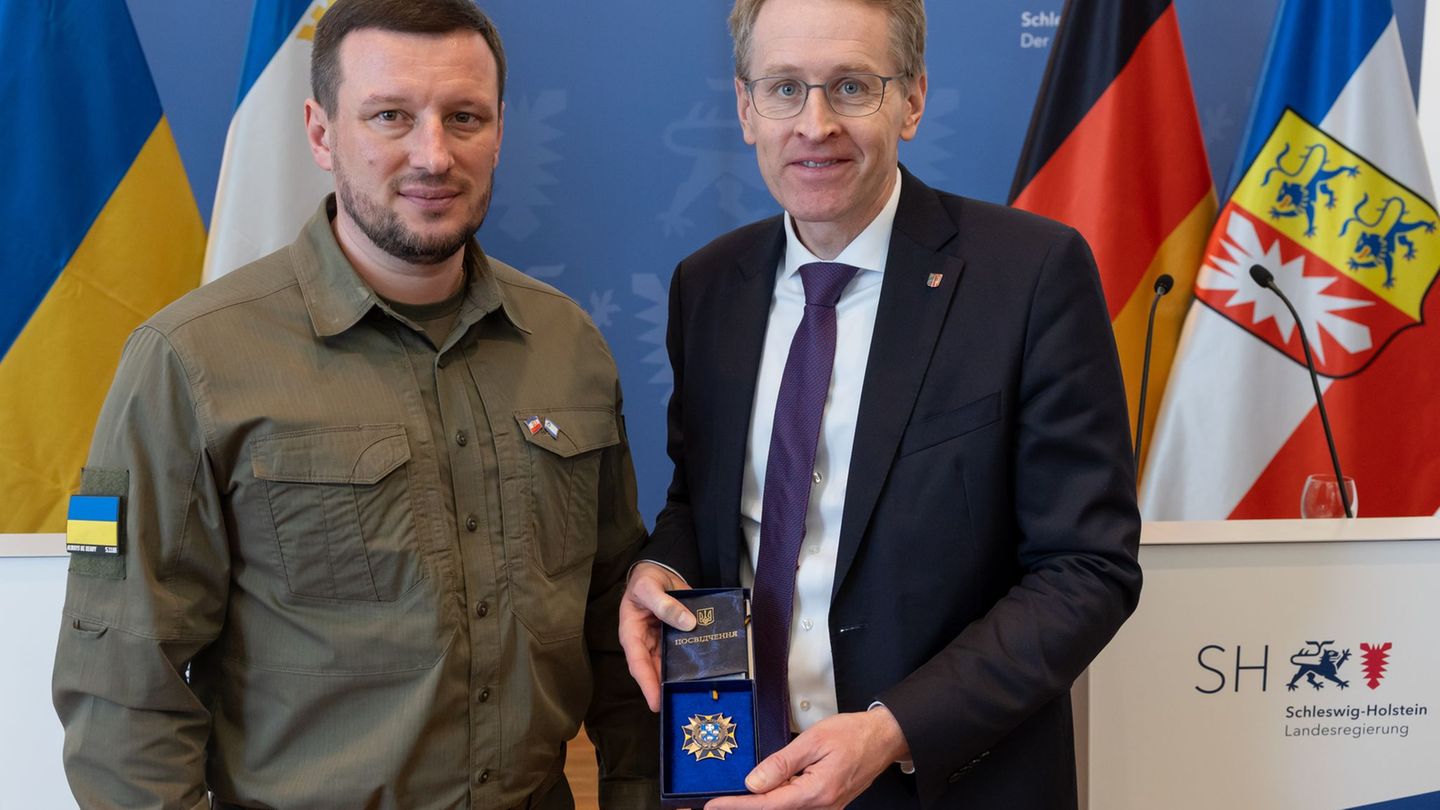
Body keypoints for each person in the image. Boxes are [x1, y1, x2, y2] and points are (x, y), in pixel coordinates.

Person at [51, 1, 657, 808]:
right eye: (390, 116)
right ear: (320, 130)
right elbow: (122, 695)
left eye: (464, 116)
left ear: (500, 129)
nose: (433, 154)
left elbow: (623, 635)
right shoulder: (190, 362)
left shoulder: (566, 347)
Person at [619, 0, 1143, 807]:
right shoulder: (709, 286)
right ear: (745, 106)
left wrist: (895, 728)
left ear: (914, 99)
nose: (815, 124)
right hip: (740, 777)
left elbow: (1086, 569)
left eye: (853, 87)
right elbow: (706, 503)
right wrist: (662, 567)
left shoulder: (1029, 276)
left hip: (951, 779)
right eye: (785, 88)